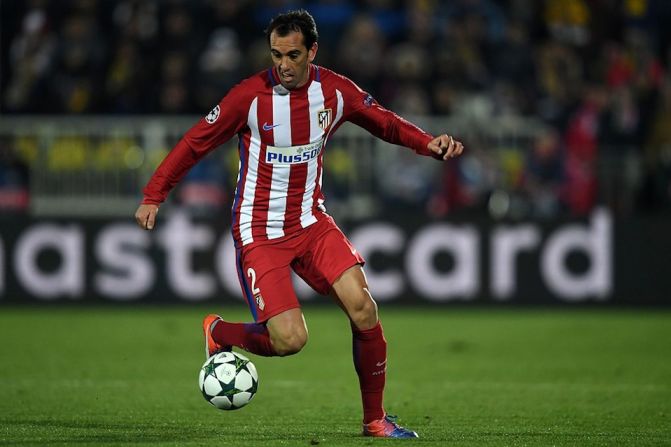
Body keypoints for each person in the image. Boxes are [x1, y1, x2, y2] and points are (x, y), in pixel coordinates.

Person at [135, 9, 463, 439]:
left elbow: (382, 120)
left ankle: (375, 421)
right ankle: (219, 331)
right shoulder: (248, 97)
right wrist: (154, 194)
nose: (283, 65)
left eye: (292, 55)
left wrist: (427, 143)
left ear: (313, 51)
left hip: (311, 221)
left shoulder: (335, 91)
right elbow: (196, 142)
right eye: (276, 55)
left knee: (364, 308)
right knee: (290, 340)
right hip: (260, 231)